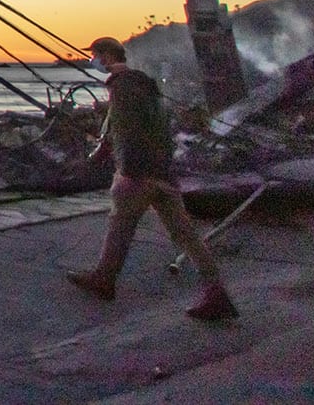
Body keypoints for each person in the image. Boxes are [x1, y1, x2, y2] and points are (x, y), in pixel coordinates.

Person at [66, 36, 237, 320]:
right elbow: (152, 127)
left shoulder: (122, 87)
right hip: (163, 174)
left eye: (95, 55)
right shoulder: (145, 85)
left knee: (120, 228)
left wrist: (127, 173)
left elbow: (127, 132)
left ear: (107, 56)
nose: (93, 60)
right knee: (187, 237)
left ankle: (104, 280)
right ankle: (217, 294)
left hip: (139, 174)